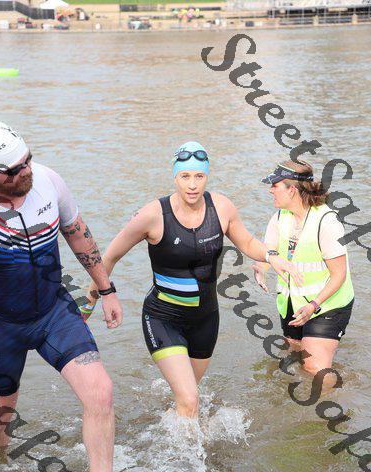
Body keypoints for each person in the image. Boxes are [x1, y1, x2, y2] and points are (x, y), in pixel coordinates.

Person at [82, 141, 301, 418]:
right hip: (163, 318)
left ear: (207, 176)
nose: (193, 185)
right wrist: (89, 303)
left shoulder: (221, 207)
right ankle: (182, 445)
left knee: (186, 400)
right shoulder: (152, 215)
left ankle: (165, 429)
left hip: (205, 320)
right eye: (185, 176)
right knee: (190, 398)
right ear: (175, 176)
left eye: (199, 176)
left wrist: (272, 256)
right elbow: (108, 258)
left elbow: (247, 242)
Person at [0, 119, 122, 472]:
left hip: (53, 311)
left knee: (100, 392)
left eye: (28, 159)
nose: (26, 171)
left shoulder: (49, 180)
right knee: (1, 410)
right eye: (14, 169)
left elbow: (76, 232)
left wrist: (107, 290)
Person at [253, 160, 354, 378]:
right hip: (292, 303)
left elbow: (339, 275)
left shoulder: (327, 221)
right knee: (296, 359)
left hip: (327, 304)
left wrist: (313, 305)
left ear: (291, 190)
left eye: (275, 185)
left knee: (315, 369)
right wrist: (260, 268)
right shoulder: (279, 217)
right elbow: (268, 251)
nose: (270, 190)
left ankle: (342, 394)